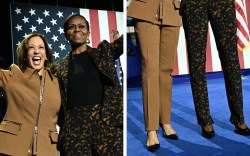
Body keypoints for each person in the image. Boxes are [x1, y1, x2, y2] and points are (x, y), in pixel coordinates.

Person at [52, 14, 123, 155]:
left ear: (88, 33)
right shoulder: (58, 67)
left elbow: (123, 42)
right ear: (66, 35)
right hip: (73, 130)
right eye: (71, 27)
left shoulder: (104, 54)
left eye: (81, 26)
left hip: (107, 125)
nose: (77, 30)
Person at [181, 0, 250, 139]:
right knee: (197, 62)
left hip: (222, 2)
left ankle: (239, 118)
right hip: (194, 4)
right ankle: (205, 120)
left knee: (231, 61)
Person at [127, 0, 182, 152]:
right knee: (150, 71)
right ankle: (151, 129)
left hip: (173, 11)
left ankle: (165, 121)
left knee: (166, 70)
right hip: (146, 9)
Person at [0, 33, 61, 155]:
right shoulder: (12, 76)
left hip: (48, 150)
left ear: (47, 55)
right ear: (24, 55)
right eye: (31, 47)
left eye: (41, 47)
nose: (36, 51)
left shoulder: (58, 83)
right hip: (12, 148)